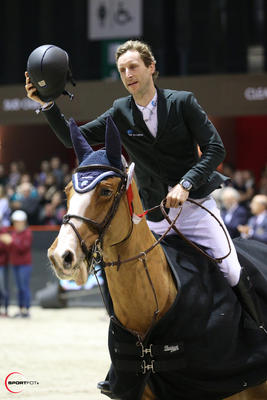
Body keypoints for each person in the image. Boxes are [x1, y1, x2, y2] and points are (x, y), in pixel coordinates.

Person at [25, 39, 264, 393]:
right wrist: (47, 104)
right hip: (154, 215)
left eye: (134, 67)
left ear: (151, 68)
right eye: (122, 70)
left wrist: (186, 183)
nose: (128, 74)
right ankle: (124, 366)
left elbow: (216, 149)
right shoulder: (120, 111)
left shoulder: (182, 103)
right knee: (120, 278)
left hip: (196, 207)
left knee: (231, 268)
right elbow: (70, 138)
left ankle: (255, 335)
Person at [8, 210, 33, 318]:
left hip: (24, 265)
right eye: (15, 222)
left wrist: (11, 242)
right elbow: (10, 249)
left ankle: (26, 310)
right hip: (15, 264)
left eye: (18, 222)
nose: (16, 224)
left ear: (23, 222)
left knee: (24, 287)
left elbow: (23, 248)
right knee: (19, 288)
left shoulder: (27, 233)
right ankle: (20, 309)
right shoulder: (14, 233)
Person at [0, 212, 11, 316]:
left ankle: (6, 309)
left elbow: (6, 248)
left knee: (3, 287)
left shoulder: (4, 232)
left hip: (2, 264)